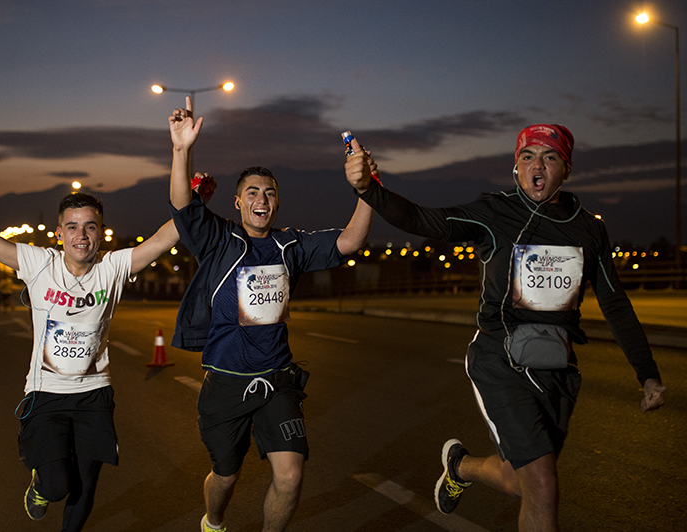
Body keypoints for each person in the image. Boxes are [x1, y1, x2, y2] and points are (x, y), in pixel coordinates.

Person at [345, 124, 666, 531]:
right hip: (500, 361)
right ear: (515, 166)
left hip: (557, 369)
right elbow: (423, 219)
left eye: (550, 157)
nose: (537, 165)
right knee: (543, 484)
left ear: (565, 168)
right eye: (527, 156)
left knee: (522, 482)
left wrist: (648, 374)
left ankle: (459, 467)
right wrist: (368, 188)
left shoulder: (588, 228)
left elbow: (615, 303)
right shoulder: (495, 212)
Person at [0, 167, 212, 531]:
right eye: (73, 226)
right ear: (59, 233)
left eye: (90, 226)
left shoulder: (113, 266)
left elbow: (161, 238)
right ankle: (42, 485)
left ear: (100, 231)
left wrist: (197, 200)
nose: (82, 235)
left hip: (94, 394)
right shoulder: (39, 263)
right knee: (59, 484)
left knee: (87, 482)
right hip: (46, 394)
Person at [168, 97, 375, 532]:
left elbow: (351, 241)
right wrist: (181, 149)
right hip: (225, 384)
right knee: (225, 477)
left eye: (270, 193)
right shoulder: (218, 239)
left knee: (291, 474)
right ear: (239, 203)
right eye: (252, 193)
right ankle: (213, 521)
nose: (262, 199)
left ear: (276, 204)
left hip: (275, 380)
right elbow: (184, 205)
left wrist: (367, 188)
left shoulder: (290, 246)